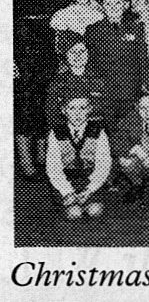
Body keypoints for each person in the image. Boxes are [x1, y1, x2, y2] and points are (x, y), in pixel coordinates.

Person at [14, 0, 67, 176]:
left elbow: (64, 9)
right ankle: (25, 160)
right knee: (25, 100)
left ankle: (44, 155)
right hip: (21, 44)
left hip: (48, 44)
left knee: (47, 97)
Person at [84, 0, 149, 127]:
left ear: (125, 5)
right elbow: (89, 63)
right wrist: (95, 87)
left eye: (117, 3)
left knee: (130, 129)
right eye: (108, 3)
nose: (113, 7)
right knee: (109, 130)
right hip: (106, 91)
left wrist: (145, 85)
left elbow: (143, 60)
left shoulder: (136, 28)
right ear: (102, 6)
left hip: (131, 90)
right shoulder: (93, 30)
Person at [46, 88, 112, 220]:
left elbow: (103, 166)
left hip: (90, 180)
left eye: (82, 108)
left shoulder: (98, 132)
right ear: (64, 110)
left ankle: (85, 202)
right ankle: (73, 203)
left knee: (95, 210)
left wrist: (89, 189)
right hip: (66, 180)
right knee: (74, 213)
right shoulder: (56, 133)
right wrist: (67, 191)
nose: (77, 113)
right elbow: (53, 169)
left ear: (89, 109)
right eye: (72, 108)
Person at [45, 32, 107, 132]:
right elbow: (51, 112)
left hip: (94, 132)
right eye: (72, 52)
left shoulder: (98, 80)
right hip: (65, 133)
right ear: (66, 55)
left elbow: (105, 110)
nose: (77, 56)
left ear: (88, 54)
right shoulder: (57, 82)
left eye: (82, 51)